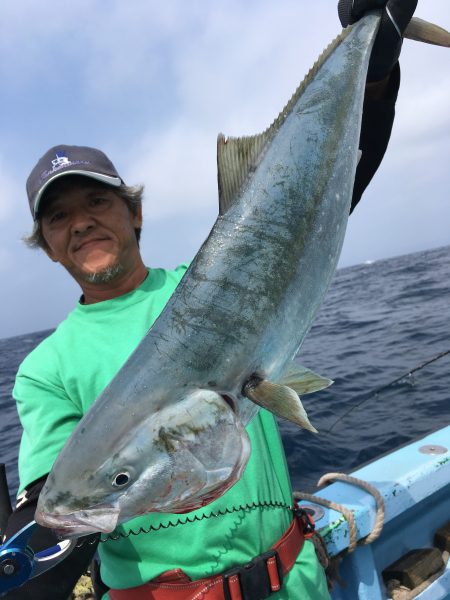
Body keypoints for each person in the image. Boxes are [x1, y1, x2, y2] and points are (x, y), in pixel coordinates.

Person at [4, 1, 418, 598]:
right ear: (46, 245)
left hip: (297, 579)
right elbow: (54, 505)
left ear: (135, 212)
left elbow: (327, 197)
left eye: (98, 204)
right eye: (60, 216)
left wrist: (376, 66)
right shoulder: (44, 371)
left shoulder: (212, 278)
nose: (82, 224)